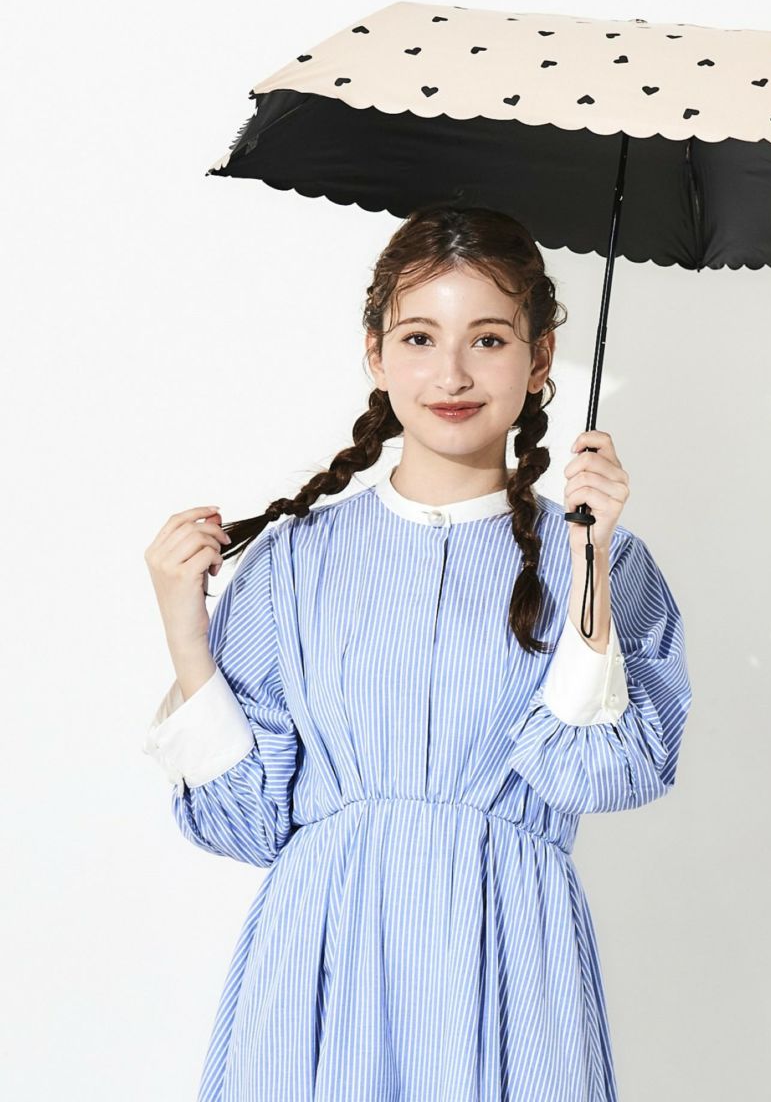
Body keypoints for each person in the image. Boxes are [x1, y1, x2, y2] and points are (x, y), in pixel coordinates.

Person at [141, 204, 693, 1100]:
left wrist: (590, 560)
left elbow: (597, 774)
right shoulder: (294, 562)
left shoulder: (603, 559)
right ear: (376, 353)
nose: (451, 374)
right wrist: (184, 633)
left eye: (488, 340)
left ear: (541, 359)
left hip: (510, 960)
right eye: (420, 338)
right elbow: (247, 825)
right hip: (322, 966)